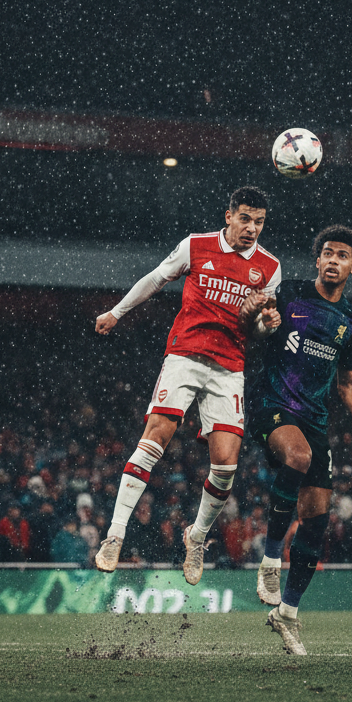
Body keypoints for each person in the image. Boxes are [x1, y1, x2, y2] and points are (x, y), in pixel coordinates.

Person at [93, 186, 282, 584]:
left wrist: (267, 324)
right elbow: (155, 279)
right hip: (186, 355)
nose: (251, 228)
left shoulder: (269, 267)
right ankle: (115, 534)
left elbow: (258, 330)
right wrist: (117, 312)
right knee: (155, 438)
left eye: (259, 222)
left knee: (226, 466)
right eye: (245, 219)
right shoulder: (196, 246)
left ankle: (195, 538)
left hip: (229, 368)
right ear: (229, 216)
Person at [248, 224, 352, 654]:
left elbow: (348, 384)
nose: (332, 260)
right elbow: (254, 326)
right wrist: (262, 320)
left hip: (314, 418)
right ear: (317, 260)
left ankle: (287, 613)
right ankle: (270, 560)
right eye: (327, 253)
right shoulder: (289, 293)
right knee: (298, 456)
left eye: (342, 256)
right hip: (272, 403)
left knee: (316, 520)